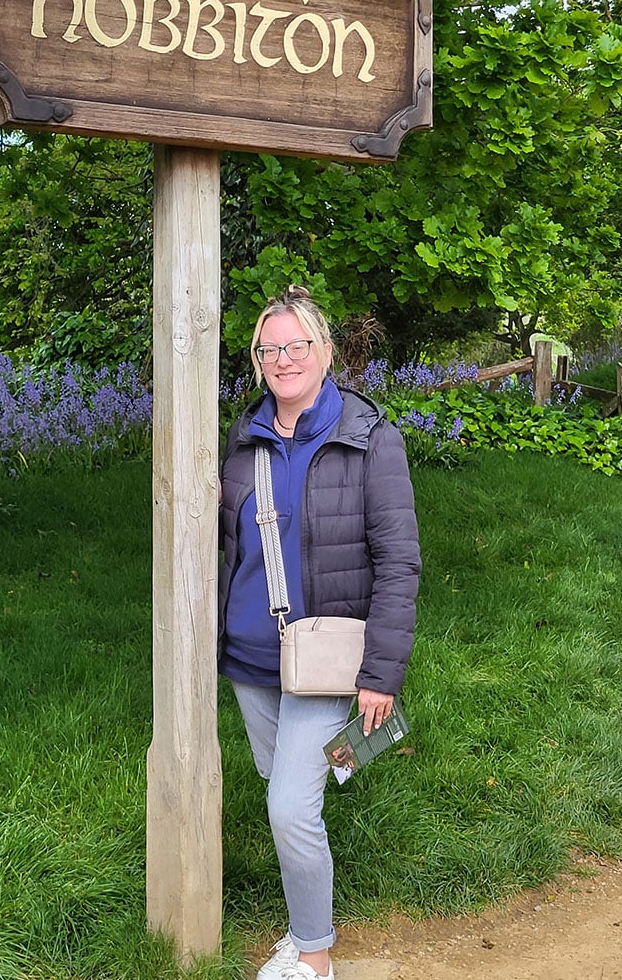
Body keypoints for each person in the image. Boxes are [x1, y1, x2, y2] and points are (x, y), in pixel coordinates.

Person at [218, 286, 421, 980]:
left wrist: (381, 673)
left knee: (288, 806)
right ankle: (303, 922)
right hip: (250, 657)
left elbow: (399, 563)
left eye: (297, 345)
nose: (284, 359)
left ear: (326, 351)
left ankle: (314, 955)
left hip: (327, 661)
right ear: (257, 359)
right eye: (270, 348)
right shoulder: (242, 438)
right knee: (289, 798)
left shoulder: (370, 439)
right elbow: (224, 548)